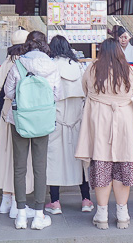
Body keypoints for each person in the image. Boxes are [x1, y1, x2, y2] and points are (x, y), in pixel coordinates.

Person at [74, 38, 133, 230]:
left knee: (101, 164)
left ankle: (101, 214)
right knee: (122, 165)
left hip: (99, 120)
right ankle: (122, 213)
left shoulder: (93, 68)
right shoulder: (128, 69)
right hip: (123, 120)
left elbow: (84, 88)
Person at [3, 31, 60, 230]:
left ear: (27, 44)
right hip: (42, 120)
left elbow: (9, 93)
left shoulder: (17, 64)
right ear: (45, 45)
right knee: (39, 167)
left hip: (19, 120)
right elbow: (56, 94)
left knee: (19, 167)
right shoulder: (52, 66)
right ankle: (38, 215)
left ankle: (20, 215)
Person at [45, 35, 93, 214]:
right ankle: (86, 200)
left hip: (56, 120)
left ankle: (55, 202)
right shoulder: (79, 66)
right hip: (77, 121)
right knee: (80, 160)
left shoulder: (50, 66)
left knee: (54, 160)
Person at [0, 29, 33, 217]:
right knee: (20, 158)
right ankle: (17, 203)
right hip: (21, 116)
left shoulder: (7, 62)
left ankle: (5, 201)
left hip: (5, 114)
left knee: (5, 156)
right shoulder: (27, 63)